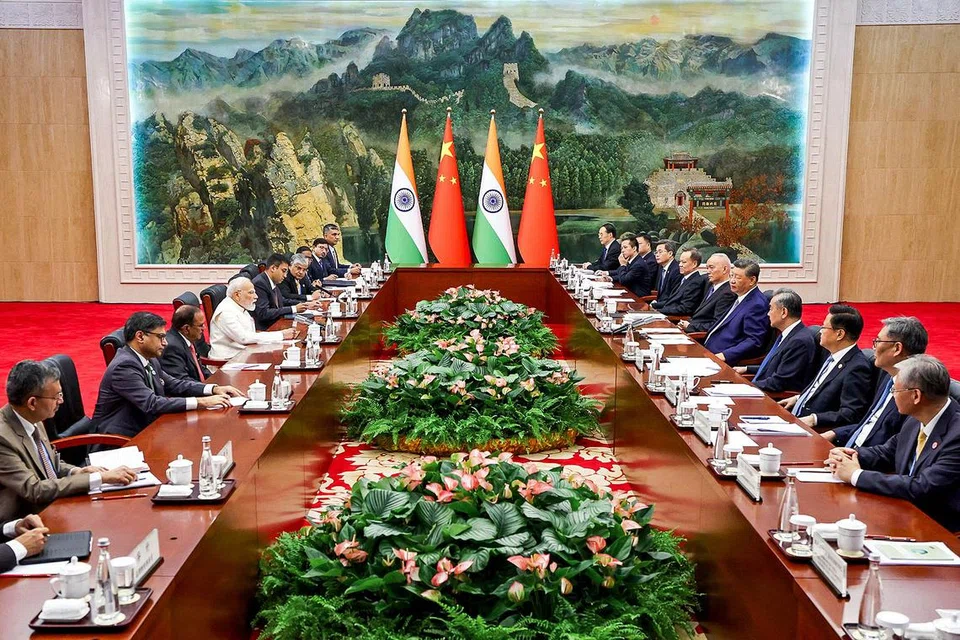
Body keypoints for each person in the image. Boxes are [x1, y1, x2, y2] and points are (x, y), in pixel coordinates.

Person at [827, 355, 960, 532]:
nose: (892, 395)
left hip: (938, 528)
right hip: (902, 511)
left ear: (915, 395)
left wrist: (856, 475)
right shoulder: (916, 419)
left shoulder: (956, 434)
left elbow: (923, 486)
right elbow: (887, 452)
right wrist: (850, 455)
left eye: (895, 390)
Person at [1, 361, 138, 521]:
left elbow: (49, 463)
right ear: (32, 403)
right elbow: (34, 490)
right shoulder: (3, 438)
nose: (61, 401)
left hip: (54, 504)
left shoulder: (32, 417)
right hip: (26, 521)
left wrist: (76, 471)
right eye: (56, 396)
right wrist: (100, 478)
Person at [93, 313, 237, 438]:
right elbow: (152, 404)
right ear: (140, 336)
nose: (165, 343)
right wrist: (202, 402)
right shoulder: (124, 366)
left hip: (149, 429)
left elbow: (174, 384)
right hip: (121, 441)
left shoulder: (149, 358)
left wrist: (213, 389)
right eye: (160, 337)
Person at [823, 317, 929, 448]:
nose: (874, 348)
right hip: (848, 448)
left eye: (877, 341)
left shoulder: (912, 393)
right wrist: (835, 433)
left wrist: (856, 455)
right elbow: (870, 425)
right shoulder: (888, 378)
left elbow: (896, 447)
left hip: (866, 456)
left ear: (897, 348)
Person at [779, 304, 873, 429]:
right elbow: (819, 389)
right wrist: (798, 398)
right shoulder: (832, 355)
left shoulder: (857, 367)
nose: (820, 331)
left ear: (839, 334)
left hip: (812, 430)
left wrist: (814, 419)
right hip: (795, 418)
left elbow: (850, 414)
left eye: (824, 327)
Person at [734, 288, 818, 393]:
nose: (768, 314)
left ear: (784, 312)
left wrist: (744, 386)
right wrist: (747, 368)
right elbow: (774, 367)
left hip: (771, 397)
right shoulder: (788, 334)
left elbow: (779, 382)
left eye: (771, 309)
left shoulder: (799, 342)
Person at [209, 277, 298, 360]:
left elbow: (250, 334)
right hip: (227, 361)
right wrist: (281, 335)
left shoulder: (239, 305)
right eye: (251, 292)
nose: (256, 296)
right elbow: (244, 338)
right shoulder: (226, 312)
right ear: (237, 295)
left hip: (244, 354)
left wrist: (280, 336)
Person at [703, 259, 770, 364]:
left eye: (738, 277)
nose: (732, 281)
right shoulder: (739, 296)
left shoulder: (757, 304)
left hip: (723, 358)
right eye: (731, 276)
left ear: (752, 280)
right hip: (708, 350)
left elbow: (754, 340)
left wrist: (725, 355)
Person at [251, 253, 318, 331]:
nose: (285, 275)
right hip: (267, 329)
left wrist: (305, 305)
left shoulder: (272, 281)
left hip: (277, 324)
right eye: (283, 271)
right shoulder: (260, 283)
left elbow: (282, 301)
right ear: (273, 268)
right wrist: (294, 309)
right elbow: (264, 313)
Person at [678, 253, 736, 334]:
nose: (708, 271)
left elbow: (717, 325)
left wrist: (690, 326)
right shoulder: (710, 285)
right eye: (707, 268)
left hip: (700, 336)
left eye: (711, 267)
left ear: (724, 269)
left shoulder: (728, 293)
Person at [160, 305, 211, 383]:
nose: (204, 328)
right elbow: (181, 380)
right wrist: (209, 388)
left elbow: (200, 369)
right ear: (186, 329)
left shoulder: (190, 338)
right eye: (200, 325)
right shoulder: (172, 348)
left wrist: (216, 382)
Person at [651, 249, 704, 315]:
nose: (680, 265)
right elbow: (671, 301)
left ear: (694, 264)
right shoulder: (684, 279)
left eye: (684, 262)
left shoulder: (695, 282)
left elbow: (685, 308)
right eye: (680, 262)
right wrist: (653, 306)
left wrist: (659, 311)